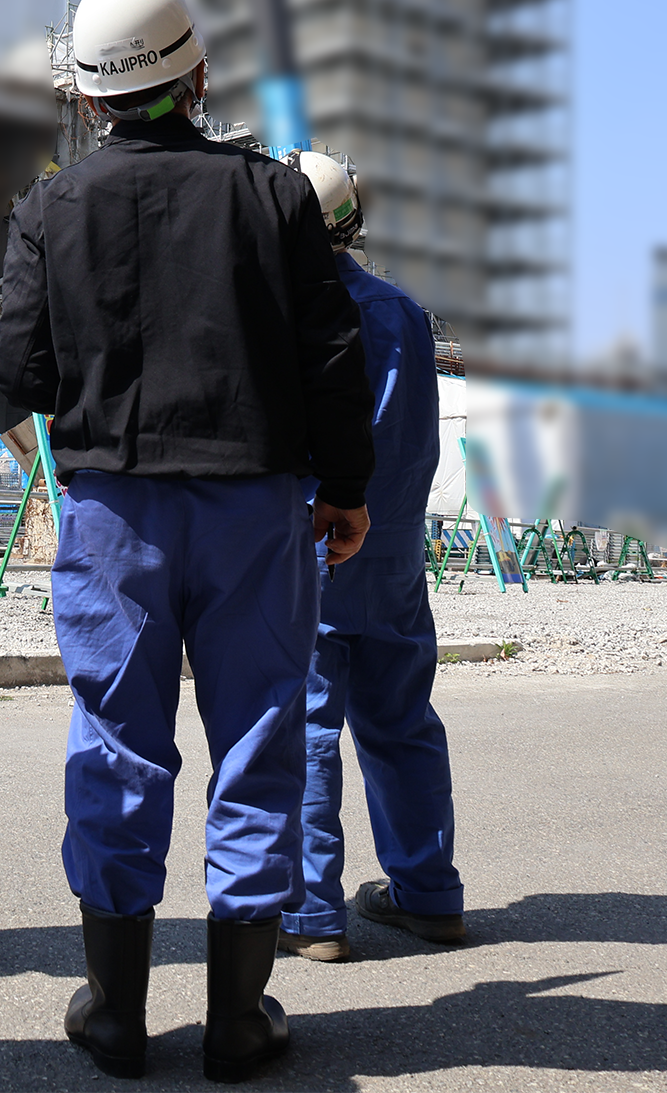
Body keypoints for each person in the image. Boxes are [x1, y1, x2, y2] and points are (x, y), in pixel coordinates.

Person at [0, 0, 374, 1083]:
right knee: (256, 736)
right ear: (196, 76)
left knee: (117, 740)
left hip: (115, 510)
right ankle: (238, 1018)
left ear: (88, 96)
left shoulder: (51, 205)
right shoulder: (277, 198)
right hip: (256, 504)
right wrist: (346, 487)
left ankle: (115, 1012)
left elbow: (11, 375)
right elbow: (331, 357)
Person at [276, 151, 464, 962]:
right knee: (403, 721)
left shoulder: (282, 310)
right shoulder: (405, 312)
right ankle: (428, 892)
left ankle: (313, 913)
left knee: (307, 725)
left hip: (312, 541)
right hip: (393, 553)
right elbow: (416, 441)